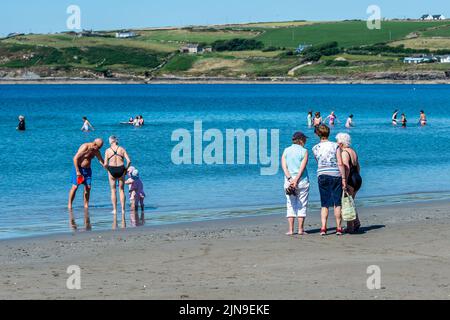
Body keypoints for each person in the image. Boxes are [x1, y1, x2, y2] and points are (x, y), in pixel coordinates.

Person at [312, 125, 346, 236]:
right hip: (335, 174)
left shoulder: (315, 148)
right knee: (337, 202)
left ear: (318, 134)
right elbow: (340, 162)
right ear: (328, 133)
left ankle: (323, 228)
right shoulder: (335, 146)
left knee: (324, 203)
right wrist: (344, 178)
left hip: (322, 174)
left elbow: (319, 162)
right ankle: (339, 228)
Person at [281, 132, 310, 236]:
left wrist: (290, 179)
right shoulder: (304, 151)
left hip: (288, 182)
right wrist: (296, 179)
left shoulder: (286, 150)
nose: (306, 141)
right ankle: (300, 230)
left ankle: (291, 230)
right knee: (302, 204)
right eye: (305, 139)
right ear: (301, 140)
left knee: (290, 204)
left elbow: (284, 166)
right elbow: (302, 167)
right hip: (302, 181)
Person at [68, 139, 105, 212]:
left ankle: (86, 205)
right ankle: (69, 205)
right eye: (98, 147)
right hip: (78, 169)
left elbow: (101, 160)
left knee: (88, 188)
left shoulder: (96, 151)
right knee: (75, 187)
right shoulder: (85, 146)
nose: (99, 149)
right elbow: (75, 158)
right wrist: (78, 171)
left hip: (87, 171)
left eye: (100, 148)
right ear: (94, 144)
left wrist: (108, 168)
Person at [336, 133, 362, 234]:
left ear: (341, 143)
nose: (337, 144)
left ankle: (350, 227)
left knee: (347, 204)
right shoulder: (353, 151)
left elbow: (346, 167)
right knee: (351, 202)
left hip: (350, 178)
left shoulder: (344, 153)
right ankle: (356, 222)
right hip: (357, 178)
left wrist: (344, 181)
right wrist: (357, 177)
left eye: (338, 142)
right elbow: (358, 166)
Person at [104, 136, 132, 229]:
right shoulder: (122, 149)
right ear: (116, 141)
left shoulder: (107, 150)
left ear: (111, 141)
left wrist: (108, 170)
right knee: (121, 190)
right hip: (121, 169)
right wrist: (125, 169)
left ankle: (115, 210)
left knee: (113, 190)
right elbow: (129, 161)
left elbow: (105, 164)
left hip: (112, 169)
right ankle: (123, 210)